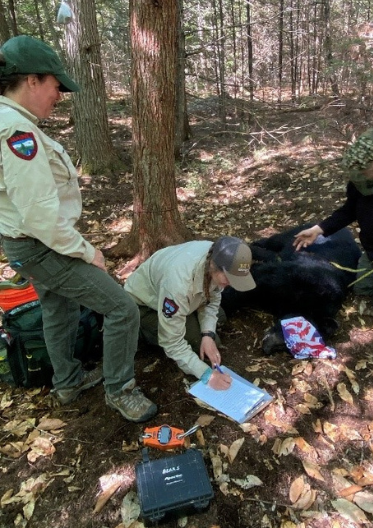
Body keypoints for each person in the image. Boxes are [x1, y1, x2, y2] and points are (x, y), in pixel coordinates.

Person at [0, 35, 158, 422]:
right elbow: (40, 215)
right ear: (32, 80)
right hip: (39, 243)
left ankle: (68, 382)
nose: (59, 94)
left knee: (58, 307)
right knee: (121, 309)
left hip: (26, 243)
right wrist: (89, 252)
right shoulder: (17, 133)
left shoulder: (12, 122)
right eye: (56, 85)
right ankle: (121, 390)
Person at [293, 128, 373, 316]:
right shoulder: (362, 179)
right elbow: (350, 210)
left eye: (365, 167)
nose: (358, 172)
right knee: (362, 289)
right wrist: (319, 229)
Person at [124, 236, 257, 390]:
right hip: (144, 305)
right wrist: (207, 375)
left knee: (218, 319)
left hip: (180, 297)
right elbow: (172, 342)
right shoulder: (178, 285)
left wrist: (208, 334)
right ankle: (140, 331)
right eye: (229, 278)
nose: (231, 284)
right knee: (194, 343)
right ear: (214, 265)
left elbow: (212, 297)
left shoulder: (216, 256)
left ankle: (186, 319)